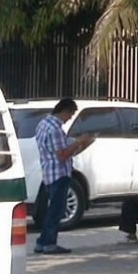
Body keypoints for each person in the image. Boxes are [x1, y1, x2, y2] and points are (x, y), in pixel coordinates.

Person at [33, 97, 95, 255]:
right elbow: (62, 154)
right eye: (71, 114)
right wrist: (78, 142)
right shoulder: (55, 130)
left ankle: (42, 241)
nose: (70, 119)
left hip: (49, 171)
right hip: (58, 173)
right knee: (56, 210)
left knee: (53, 209)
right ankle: (49, 243)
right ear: (65, 111)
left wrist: (81, 144)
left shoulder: (43, 124)